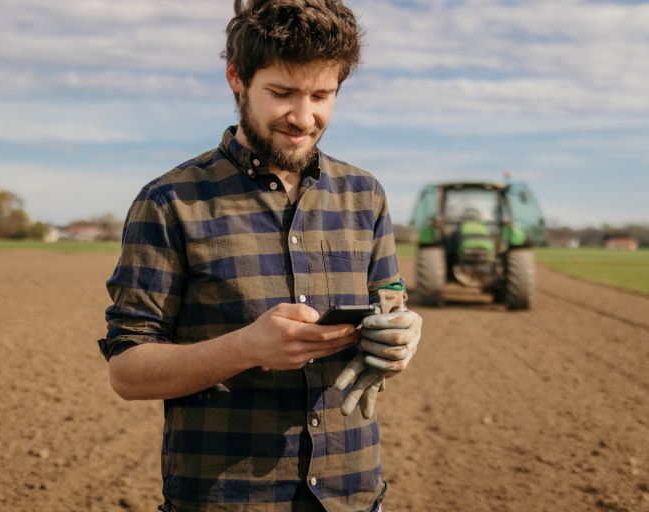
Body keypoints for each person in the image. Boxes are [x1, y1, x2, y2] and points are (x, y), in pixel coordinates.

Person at [98, 1, 422, 510]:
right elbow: (127, 370)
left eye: (322, 95)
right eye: (282, 93)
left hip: (354, 495)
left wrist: (399, 336)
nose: (303, 116)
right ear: (236, 78)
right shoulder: (169, 202)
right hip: (226, 498)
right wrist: (247, 348)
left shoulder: (366, 195)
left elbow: (390, 306)